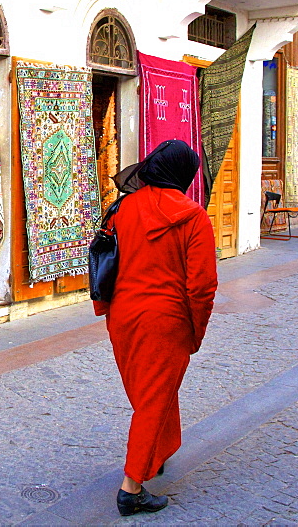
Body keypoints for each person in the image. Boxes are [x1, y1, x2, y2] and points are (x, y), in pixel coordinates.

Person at [94, 139, 218, 516]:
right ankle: (131, 487)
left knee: (150, 391)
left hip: (123, 317)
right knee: (153, 397)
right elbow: (202, 286)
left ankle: (157, 451)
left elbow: (102, 260)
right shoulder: (193, 216)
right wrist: (196, 331)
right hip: (166, 320)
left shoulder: (122, 207)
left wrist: (104, 309)